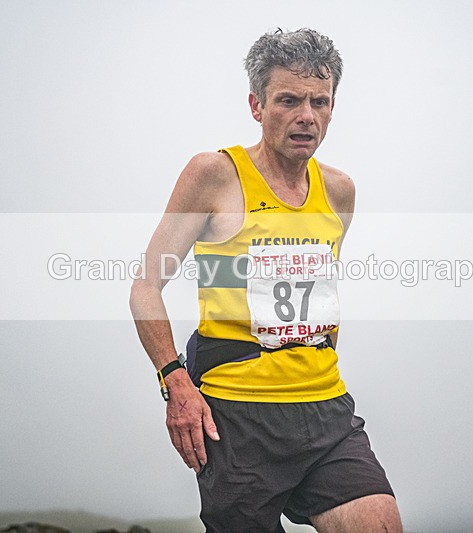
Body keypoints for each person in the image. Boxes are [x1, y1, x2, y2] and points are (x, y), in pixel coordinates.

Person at [130, 28, 402, 532]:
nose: (307, 116)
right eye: (289, 100)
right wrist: (176, 382)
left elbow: (319, 298)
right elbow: (145, 286)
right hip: (237, 419)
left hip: (325, 410)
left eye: (320, 101)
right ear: (256, 105)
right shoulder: (214, 174)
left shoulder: (338, 190)